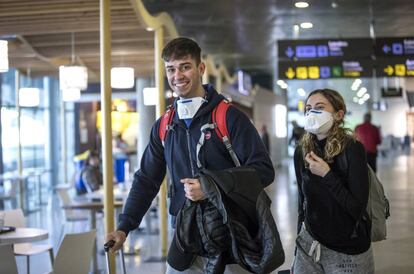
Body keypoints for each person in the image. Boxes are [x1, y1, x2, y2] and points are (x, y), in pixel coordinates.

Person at [106, 37, 275, 273]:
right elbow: (146, 178)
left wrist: (210, 186)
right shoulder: (165, 125)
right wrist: (125, 227)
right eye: (171, 69)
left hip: (231, 235)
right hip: (185, 237)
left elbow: (264, 171)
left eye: (185, 66)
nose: (178, 76)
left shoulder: (229, 117)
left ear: (201, 68)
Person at [293, 89, 374, 274]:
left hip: (348, 247)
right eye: (308, 109)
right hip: (310, 244)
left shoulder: (353, 149)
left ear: (338, 115)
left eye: (319, 107)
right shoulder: (302, 151)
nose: (312, 113)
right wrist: (298, 246)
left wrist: (327, 175)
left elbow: (357, 208)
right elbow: (301, 203)